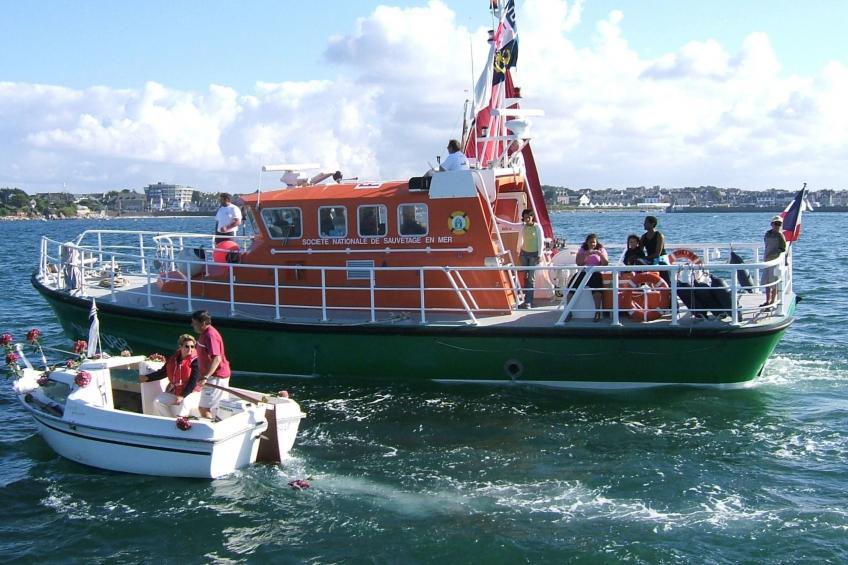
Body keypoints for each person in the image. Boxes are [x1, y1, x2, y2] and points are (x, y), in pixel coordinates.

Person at [138, 334, 201, 417]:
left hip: (192, 393)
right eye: (187, 346)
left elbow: (193, 381)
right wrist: (147, 378)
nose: (190, 349)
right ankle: (169, 422)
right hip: (176, 392)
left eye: (192, 347)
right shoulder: (173, 358)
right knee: (158, 402)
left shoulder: (196, 361)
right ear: (180, 347)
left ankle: (180, 422)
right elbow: (163, 372)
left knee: (183, 408)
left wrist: (182, 396)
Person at [497, 208, 545, 308]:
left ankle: (528, 301)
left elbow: (541, 241)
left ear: (532, 217)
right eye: (525, 217)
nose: (527, 219)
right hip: (524, 254)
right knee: (526, 277)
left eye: (528, 217)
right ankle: (526, 299)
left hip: (534, 255)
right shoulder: (522, 226)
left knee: (531, 278)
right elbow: (510, 224)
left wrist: (539, 255)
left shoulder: (537, 227)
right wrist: (496, 219)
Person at [191, 310, 232, 419]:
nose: (192, 325)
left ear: (203, 323)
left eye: (195, 323)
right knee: (212, 407)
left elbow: (217, 358)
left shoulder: (210, 335)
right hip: (211, 376)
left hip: (216, 377)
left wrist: (206, 376)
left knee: (204, 408)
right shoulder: (204, 334)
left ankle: (211, 427)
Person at [574, 233, 609, 321]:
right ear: (587, 242)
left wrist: (600, 255)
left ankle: (597, 312)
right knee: (571, 288)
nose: (592, 244)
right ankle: (568, 312)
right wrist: (586, 254)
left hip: (595, 272)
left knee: (597, 291)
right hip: (583, 272)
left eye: (594, 242)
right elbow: (578, 263)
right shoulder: (582, 250)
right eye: (590, 242)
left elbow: (605, 263)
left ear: (596, 242)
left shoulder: (601, 249)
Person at [762, 215, 787, 306]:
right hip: (766, 261)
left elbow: (783, 248)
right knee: (767, 282)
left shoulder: (780, 236)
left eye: (779, 224)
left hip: (774, 261)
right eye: (776, 223)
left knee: (774, 282)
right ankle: (767, 301)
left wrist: (774, 254)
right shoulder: (767, 234)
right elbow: (766, 244)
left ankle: (772, 302)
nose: (777, 226)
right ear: (771, 224)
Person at [639, 215, 670, 285]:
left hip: (661, 258)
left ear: (652, 224)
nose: (644, 224)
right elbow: (640, 251)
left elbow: (658, 253)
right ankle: (641, 284)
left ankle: (668, 286)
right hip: (650, 259)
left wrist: (645, 258)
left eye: (646, 222)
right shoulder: (643, 237)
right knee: (638, 262)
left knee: (662, 264)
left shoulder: (659, 235)